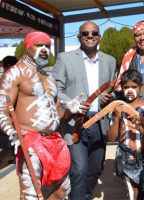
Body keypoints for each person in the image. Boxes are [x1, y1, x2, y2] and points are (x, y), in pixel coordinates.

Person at [0, 31, 85, 199]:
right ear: (28, 47)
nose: (45, 49)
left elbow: (54, 114)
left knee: (63, 191)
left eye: (47, 45)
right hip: (30, 142)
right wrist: (12, 133)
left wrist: (69, 110)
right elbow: (2, 109)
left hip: (55, 141)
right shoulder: (15, 73)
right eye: (39, 45)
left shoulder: (49, 76)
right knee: (30, 195)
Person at [52, 21, 116, 200]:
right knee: (79, 169)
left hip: (98, 123)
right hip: (74, 124)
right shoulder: (64, 58)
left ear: (99, 36)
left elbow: (112, 90)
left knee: (96, 168)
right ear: (79, 37)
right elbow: (56, 90)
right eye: (85, 33)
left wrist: (109, 98)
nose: (90, 36)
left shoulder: (110, 61)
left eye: (94, 32)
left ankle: (84, 196)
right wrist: (70, 103)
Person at [107, 69, 144, 200]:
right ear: (121, 88)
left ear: (141, 88)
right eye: (126, 87)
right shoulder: (117, 107)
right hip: (125, 155)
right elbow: (111, 138)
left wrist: (143, 125)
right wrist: (117, 118)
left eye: (134, 87)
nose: (130, 90)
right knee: (132, 194)